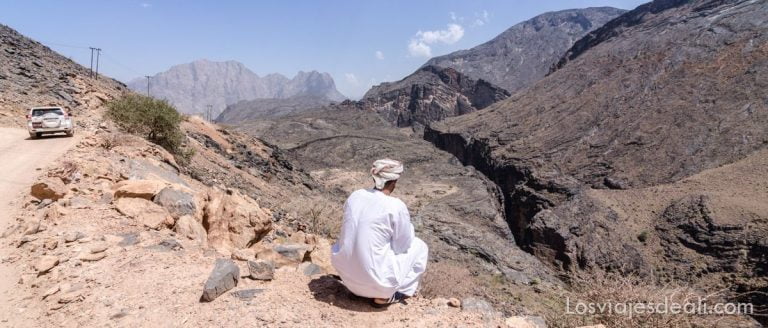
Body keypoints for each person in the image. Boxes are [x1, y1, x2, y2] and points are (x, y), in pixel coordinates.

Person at [331, 159, 429, 306]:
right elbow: (403, 245)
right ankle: (390, 295)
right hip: (378, 285)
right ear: (394, 181)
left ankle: (362, 286)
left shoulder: (355, 195)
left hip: (348, 281)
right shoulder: (395, 205)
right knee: (420, 246)